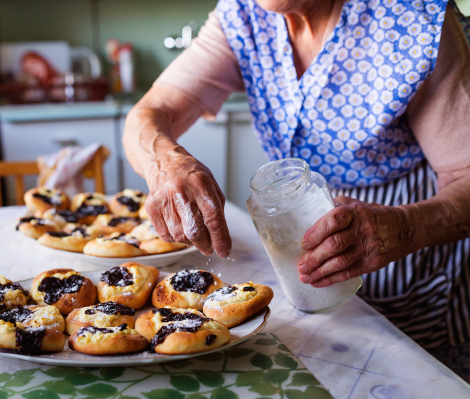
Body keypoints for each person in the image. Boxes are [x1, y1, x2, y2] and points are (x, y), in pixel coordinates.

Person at [123, 0, 470, 380]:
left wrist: (404, 227)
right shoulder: (244, 16)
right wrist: (168, 163)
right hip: (303, 269)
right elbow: (150, 111)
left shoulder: (415, 17)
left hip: (414, 266)